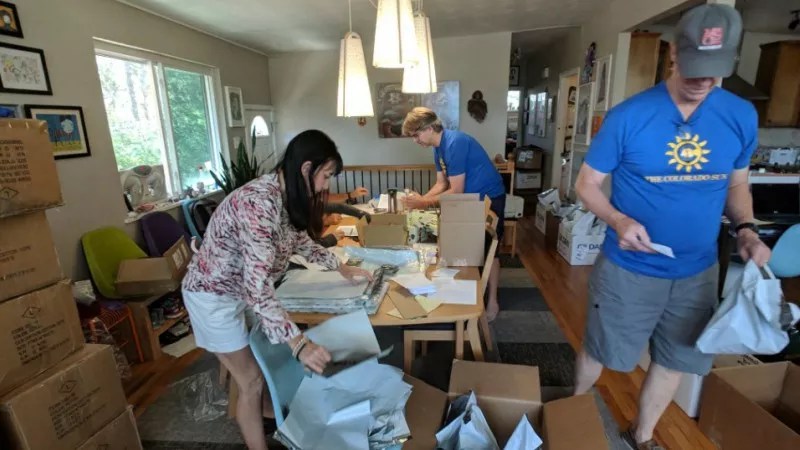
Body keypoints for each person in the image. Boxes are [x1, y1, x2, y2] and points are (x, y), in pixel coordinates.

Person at [571, 5, 771, 450]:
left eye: (714, 70)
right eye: (694, 66)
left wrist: (746, 229)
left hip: (698, 271)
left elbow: (737, 184)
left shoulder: (740, 116)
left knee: (677, 357)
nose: (702, 80)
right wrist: (618, 220)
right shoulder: (629, 116)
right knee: (601, 349)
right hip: (628, 268)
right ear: (674, 55)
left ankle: (641, 436)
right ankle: (569, 415)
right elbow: (587, 184)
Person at [181, 130, 372, 450]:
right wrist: (299, 344)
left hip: (239, 292)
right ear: (306, 168)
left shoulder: (282, 196)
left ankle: (276, 418)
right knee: (251, 380)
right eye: (325, 176)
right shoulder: (258, 203)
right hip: (213, 297)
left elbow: (300, 242)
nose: (325, 186)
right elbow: (258, 288)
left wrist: (340, 266)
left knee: (266, 363)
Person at [402, 107, 506, 321]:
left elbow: (456, 190)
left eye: (416, 135)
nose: (415, 140)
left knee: (490, 251)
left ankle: (493, 301)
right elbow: (441, 184)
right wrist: (419, 201)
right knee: (465, 247)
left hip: (489, 197)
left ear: (429, 128)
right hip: (469, 199)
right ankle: (464, 291)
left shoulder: (455, 143)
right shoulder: (437, 148)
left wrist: (422, 202)